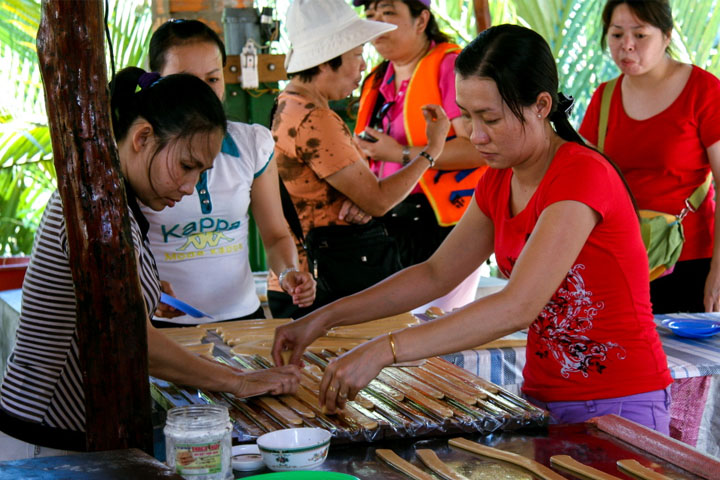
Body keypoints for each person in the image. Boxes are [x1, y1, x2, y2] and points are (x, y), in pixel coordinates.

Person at [272, 24, 674, 433]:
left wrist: (387, 349)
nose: (476, 136)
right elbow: (435, 273)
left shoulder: (580, 175)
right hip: (545, 395)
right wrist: (324, 318)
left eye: (490, 118)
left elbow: (518, 305)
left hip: (620, 401)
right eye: (466, 116)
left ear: (541, 105)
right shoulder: (500, 178)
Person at [0, 68, 300, 459]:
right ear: (142, 137)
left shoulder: (110, 199)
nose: (190, 186)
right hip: (44, 439)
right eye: (186, 165)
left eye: (201, 172)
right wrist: (238, 382)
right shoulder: (99, 215)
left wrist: (142, 291)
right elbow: (134, 343)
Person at [267, 0, 448, 318]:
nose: (364, 65)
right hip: (327, 280)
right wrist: (431, 149)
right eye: (356, 55)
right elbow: (379, 201)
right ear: (325, 62)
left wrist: (363, 198)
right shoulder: (315, 118)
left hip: (304, 277)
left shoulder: (287, 104)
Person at [142, 19, 316, 326]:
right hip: (166, 327)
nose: (204, 95)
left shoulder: (251, 143)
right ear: (156, 82)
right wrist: (145, 291)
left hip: (243, 322)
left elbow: (276, 235)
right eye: (186, 81)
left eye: (212, 79)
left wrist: (289, 273)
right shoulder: (141, 152)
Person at [579, 0, 720, 313]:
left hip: (690, 262)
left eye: (640, 35)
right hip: (619, 261)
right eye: (616, 35)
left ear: (666, 36)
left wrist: (718, 270)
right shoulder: (605, 97)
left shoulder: (704, 91)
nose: (626, 46)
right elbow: (581, 182)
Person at [353, 0, 488, 313]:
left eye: (388, 13)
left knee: (431, 326)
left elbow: (479, 148)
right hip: (388, 221)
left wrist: (399, 153)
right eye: (370, 15)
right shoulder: (376, 79)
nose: (377, 23)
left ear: (421, 20)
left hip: (444, 224)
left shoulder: (450, 65)